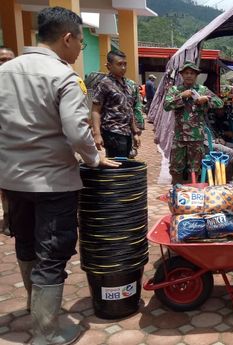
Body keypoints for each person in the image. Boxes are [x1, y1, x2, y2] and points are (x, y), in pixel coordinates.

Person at [0, 7, 120, 344]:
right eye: (81, 44)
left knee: (25, 243)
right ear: (67, 38)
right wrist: (95, 159)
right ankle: (46, 332)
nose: (78, 50)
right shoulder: (63, 76)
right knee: (53, 252)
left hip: (12, 180)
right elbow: (77, 132)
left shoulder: (5, 71)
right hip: (53, 182)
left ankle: (32, 307)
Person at [164, 61, 224, 184]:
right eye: (186, 73)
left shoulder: (202, 90)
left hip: (196, 137)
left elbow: (220, 103)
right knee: (175, 168)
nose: (189, 75)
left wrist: (206, 99)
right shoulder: (175, 90)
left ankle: (193, 191)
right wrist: (181, 96)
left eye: (192, 73)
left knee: (195, 168)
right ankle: (177, 191)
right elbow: (166, 106)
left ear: (196, 75)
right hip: (179, 136)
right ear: (181, 75)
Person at [91, 50, 143, 157]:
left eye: (125, 64)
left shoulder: (128, 85)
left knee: (126, 165)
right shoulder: (104, 84)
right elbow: (95, 110)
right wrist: (97, 134)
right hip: (112, 133)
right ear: (109, 66)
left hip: (126, 133)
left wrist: (135, 133)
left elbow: (129, 110)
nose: (123, 67)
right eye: (119, 64)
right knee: (117, 168)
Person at [0, 46, 15, 237]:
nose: (6, 63)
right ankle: (8, 218)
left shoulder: (20, 85)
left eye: (9, 59)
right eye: (2, 59)